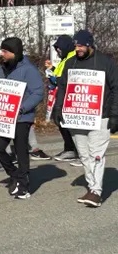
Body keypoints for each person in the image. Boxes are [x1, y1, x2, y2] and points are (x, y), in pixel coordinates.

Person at [52, 30, 118, 207]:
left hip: (100, 116)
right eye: (76, 46)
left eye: (81, 45)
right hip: (76, 116)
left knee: (96, 153)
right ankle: (92, 186)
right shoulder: (71, 63)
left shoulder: (105, 63)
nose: (78, 49)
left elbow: (116, 88)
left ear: (89, 45)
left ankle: (96, 192)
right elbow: (63, 87)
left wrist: (114, 115)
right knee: (84, 154)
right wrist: (58, 108)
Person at [0, 37, 44, 199]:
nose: (2, 54)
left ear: (15, 52)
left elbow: (38, 93)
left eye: (5, 51)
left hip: (22, 116)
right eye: (2, 51)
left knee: (21, 149)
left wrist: (22, 108)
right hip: (2, 116)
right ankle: (16, 175)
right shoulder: (1, 69)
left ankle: (24, 186)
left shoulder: (29, 69)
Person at [47, 35, 79, 164]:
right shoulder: (65, 58)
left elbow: (67, 78)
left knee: (69, 124)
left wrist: (55, 78)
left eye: (59, 49)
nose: (58, 52)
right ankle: (70, 149)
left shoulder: (72, 58)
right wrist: (52, 71)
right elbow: (59, 75)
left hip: (69, 96)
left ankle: (78, 152)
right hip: (60, 95)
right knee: (60, 121)